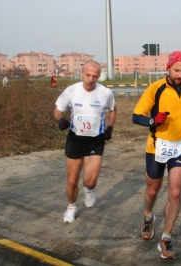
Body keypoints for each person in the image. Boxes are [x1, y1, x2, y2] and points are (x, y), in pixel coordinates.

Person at [132, 50, 181, 259]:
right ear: (168, 68)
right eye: (176, 70)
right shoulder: (156, 89)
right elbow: (136, 116)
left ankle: (166, 239)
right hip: (156, 146)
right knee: (153, 190)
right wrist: (153, 121)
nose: (180, 75)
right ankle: (148, 216)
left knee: (174, 193)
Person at [54, 60, 117, 223]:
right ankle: (71, 207)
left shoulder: (105, 93)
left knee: (89, 180)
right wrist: (60, 119)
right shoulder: (71, 91)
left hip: (95, 140)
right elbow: (58, 109)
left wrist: (110, 127)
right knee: (72, 180)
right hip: (75, 139)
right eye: (87, 75)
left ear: (98, 77)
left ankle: (89, 190)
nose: (90, 79)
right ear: (81, 74)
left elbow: (113, 109)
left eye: (94, 76)